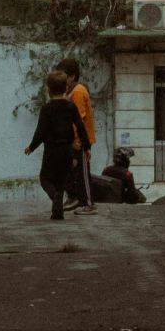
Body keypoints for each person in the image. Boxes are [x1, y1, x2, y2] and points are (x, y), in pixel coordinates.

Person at [25, 71, 90, 221]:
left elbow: (40, 131)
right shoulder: (71, 107)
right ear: (66, 87)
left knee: (45, 178)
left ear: (48, 88)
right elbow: (80, 127)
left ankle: (54, 196)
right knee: (61, 180)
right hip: (67, 150)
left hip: (51, 150)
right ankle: (57, 213)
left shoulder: (46, 108)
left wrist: (31, 147)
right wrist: (86, 147)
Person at [60, 58, 97, 213]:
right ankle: (75, 196)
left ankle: (87, 204)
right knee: (71, 170)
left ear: (72, 76)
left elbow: (79, 118)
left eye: (63, 75)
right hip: (72, 140)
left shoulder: (78, 91)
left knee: (82, 172)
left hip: (79, 140)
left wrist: (78, 140)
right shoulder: (68, 93)